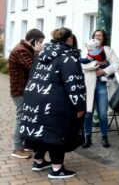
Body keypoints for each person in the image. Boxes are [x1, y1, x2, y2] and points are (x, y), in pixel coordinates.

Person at [20, 28, 86, 179]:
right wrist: (79, 106)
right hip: (56, 101)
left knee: (39, 130)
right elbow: (73, 83)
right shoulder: (68, 56)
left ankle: (39, 161)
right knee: (56, 132)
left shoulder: (42, 53)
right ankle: (57, 169)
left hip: (34, 96)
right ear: (69, 39)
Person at [8, 28, 45, 159]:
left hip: (23, 91)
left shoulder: (24, 49)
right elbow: (33, 69)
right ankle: (17, 148)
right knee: (21, 118)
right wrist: (37, 52)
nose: (41, 44)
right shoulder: (20, 51)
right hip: (19, 92)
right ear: (33, 40)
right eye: (39, 42)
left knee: (24, 117)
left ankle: (24, 145)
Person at [81, 29, 119, 148]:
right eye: (96, 35)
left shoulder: (108, 50)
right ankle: (87, 138)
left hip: (102, 84)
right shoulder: (85, 50)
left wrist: (104, 71)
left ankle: (104, 137)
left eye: (100, 35)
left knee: (103, 113)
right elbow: (81, 64)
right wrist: (90, 67)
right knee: (88, 113)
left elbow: (116, 64)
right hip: (88, 84)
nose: (98, 37)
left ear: (104, 37)